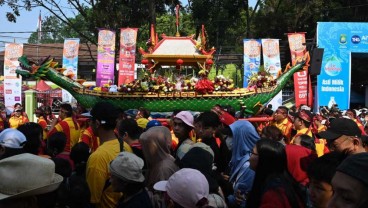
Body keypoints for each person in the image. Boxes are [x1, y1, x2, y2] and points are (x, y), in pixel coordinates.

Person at [86, 101, 125, 208]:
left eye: (91, 120)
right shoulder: (125, 146)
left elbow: (93, 200)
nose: (89, 124)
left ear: (97, 123)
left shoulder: (98, 158)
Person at [247, 139, 305, 208]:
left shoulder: (273, 196)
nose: (249, 158)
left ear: (264, 159)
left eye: (252, 153)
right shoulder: (282, 182)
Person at [227, 120, 259, 207]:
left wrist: (225, 199)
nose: (229, 139)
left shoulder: (249, 165)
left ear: (242, 137)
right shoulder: (240, 158)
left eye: (233, 136)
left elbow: (241, 201)